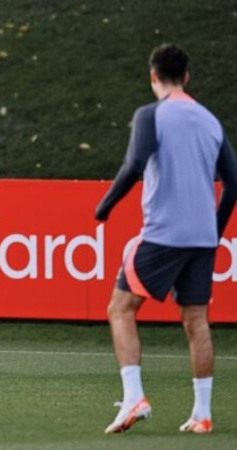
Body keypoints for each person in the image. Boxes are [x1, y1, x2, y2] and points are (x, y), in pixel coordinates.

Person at [96, 43, 237, 434]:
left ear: (153, 77)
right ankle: (203, 414)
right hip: (201, 238)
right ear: (187, 77)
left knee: (120, 308)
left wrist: (104, 206)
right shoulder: (209, 120)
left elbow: (135, 164)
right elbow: (234, 182)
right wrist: (215, 228)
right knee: (197, 320)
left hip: (163, 234)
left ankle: (134, 396)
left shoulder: (150, 115)